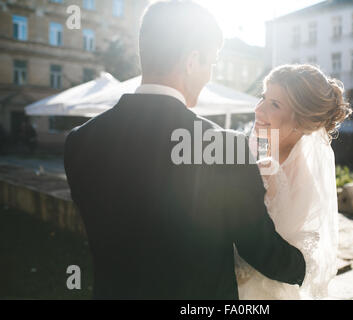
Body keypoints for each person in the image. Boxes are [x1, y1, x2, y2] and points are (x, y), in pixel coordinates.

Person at [64, 0, 306, 300]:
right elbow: (258, 247)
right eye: (212, 63)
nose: (209, 76)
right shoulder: (224, 146)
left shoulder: (79, 141)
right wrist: (306, 268)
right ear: (192, 61)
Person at [235, 64, 352, 300]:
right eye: (263, 98)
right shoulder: (272, 162)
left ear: (301, 120)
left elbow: (260, 248)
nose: (258, 110)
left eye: (274, 105)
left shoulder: (276, 173)